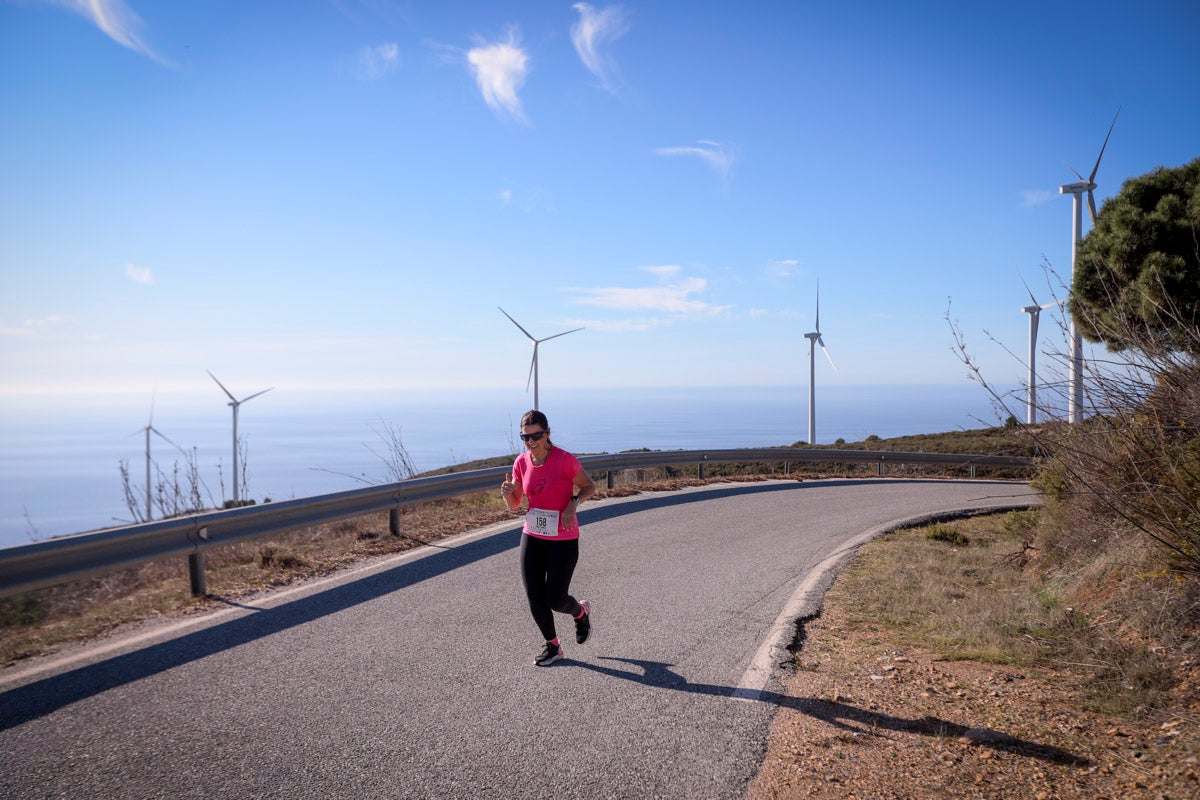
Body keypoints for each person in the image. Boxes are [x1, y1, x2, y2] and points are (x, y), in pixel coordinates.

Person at [501, 409, 596, 666]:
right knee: (534, 595)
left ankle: (580, 611)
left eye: (537, 436)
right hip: (533, 534)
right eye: (526, 437)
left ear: (547, 433)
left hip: (563, 538)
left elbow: (589, 486)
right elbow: (515, 504)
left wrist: (573, 503)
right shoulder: (521, 462)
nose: (532, 442)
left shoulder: (565, 460)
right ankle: (553, 646)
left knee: (555, 598)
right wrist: (507, 493)